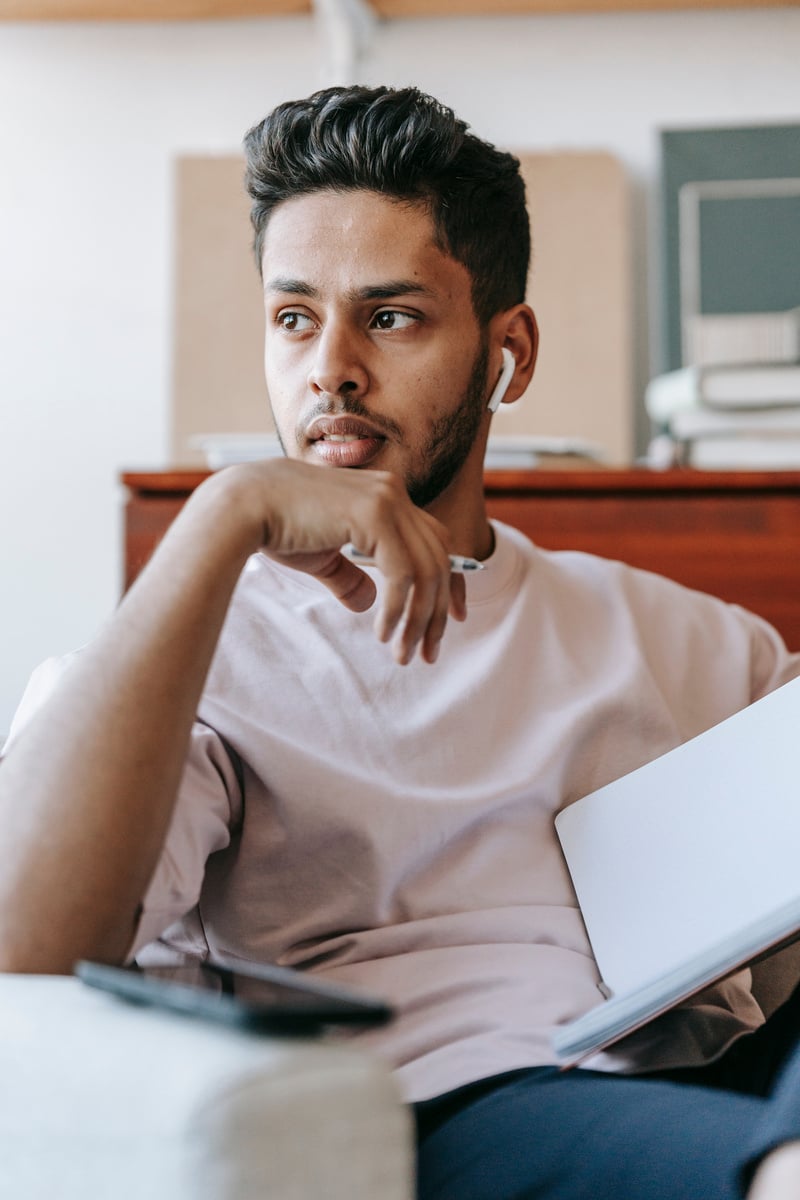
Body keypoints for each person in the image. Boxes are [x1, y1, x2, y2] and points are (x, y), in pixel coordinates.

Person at [2, 83, 800, 1200]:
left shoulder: (684, 640)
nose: (330, 367)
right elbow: (15, 957)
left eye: (388, 316)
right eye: (293, 319)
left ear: (506, 356)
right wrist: (221, 519)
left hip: (706, 1074)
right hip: (446, 1107)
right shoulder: (193, 651)